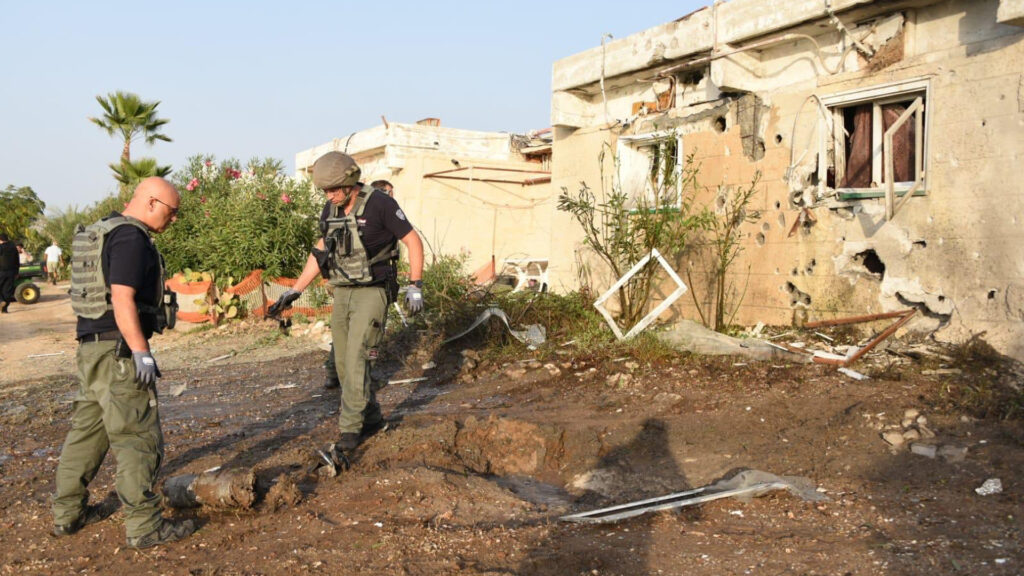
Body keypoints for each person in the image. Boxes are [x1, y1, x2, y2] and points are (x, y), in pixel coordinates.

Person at [52, 177, 197, 549]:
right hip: (118, 353)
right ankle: (145, 527)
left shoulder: (105, 231)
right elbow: (122, 298)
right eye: (173, 211)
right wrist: (140, 351)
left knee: (86, 434)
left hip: (91, 350)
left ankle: (68, 515)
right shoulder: (132, 238)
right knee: (137, 436)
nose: (175, 219)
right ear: (151, 203)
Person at [268, 152, 424, 458]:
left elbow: (413, 241)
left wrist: (415, 285)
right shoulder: (331, 209)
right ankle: (373, 419)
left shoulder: (381, 203)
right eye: (325, 190)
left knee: (357, 359)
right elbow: (321, 250)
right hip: (342, 292)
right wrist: (295, 291)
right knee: (342, 363)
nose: (330, 195)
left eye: (334, 189)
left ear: (351, 182)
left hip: (372, 291)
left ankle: (350, 429)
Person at [323, 177, 396, 388]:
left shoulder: (372, 209)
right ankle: (347, 379)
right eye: (389, 192)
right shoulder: (372, 209)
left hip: (353, 283)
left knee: (348, 337)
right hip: (353, 283)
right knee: (353, 339)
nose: (391, 196)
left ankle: (342, 377)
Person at [0, 233, 18, 313]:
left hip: (1, 271)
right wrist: (16, 272)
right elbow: (17, 261)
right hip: (11, 272)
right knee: (7, 290)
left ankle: (1, 301)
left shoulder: (1, 247)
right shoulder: (13, 248)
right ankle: (4, 309)